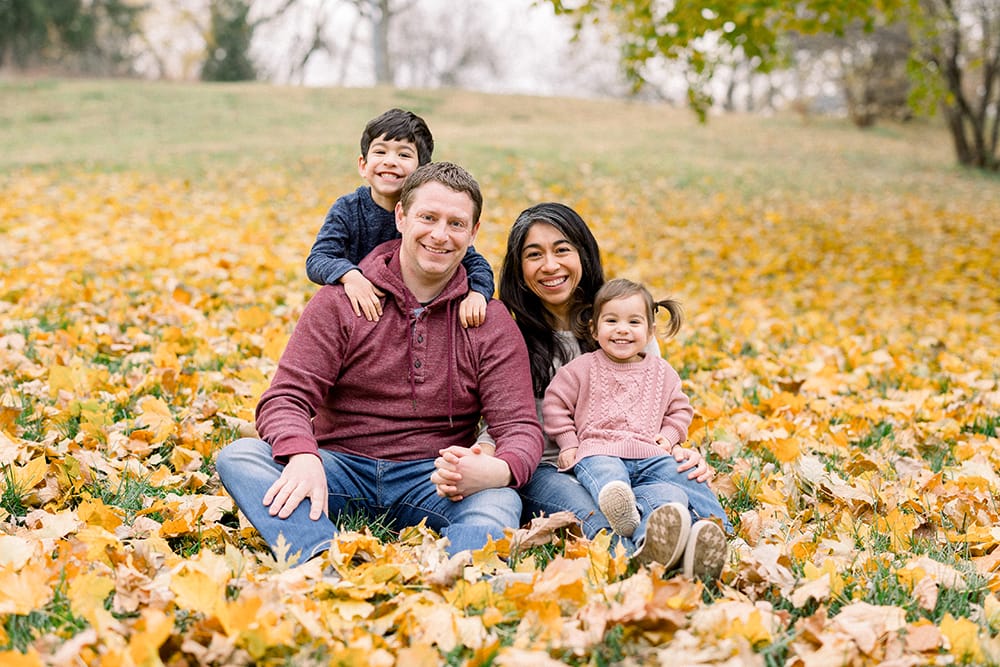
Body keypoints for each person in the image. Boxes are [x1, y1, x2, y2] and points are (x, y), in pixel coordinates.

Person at [216, 162, 543, 563]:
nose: (440, 235)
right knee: (241, 457)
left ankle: (457, 577)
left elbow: (520, 427)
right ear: (401, 217)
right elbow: (285, 399)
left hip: (435, 477)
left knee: (498, 502)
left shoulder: (488, 320)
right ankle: (322, 558)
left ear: (473, 233)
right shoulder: (340, 302)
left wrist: (499, 471)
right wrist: (302, 455)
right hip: (337, 468)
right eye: (428, 217)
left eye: (456, 224)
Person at [432, 203, 731, 579]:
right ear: (521, 272)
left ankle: (690, 544)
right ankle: (639, 559)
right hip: (546, 465)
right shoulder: (509, 334)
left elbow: (655, 397)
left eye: (562, 250)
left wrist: (676, 447)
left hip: (623, 454)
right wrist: (487, 455)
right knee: (593, 509)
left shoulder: (620, 321)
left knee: (667, 494)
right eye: (534, 255)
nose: (550, 265)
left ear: (583, 255)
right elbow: (502, 416)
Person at [543, 278, 727, 579]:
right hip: (598, 449)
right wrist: (569, 443)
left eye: (634, 322)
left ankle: (714, 530)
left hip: (649, 451)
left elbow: (680, 409)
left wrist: (669, 439)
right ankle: (622, 509)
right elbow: (555, 404)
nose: (622, 329)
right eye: (611, 321)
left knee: (685, 478)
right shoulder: (582, 368)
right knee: (608, 476)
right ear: (594, 329)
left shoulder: (661, 372)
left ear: (650, 331)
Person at [305, 107, 494, 328]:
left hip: (413, 312)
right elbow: (318, 259)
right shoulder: (347, 209)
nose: (390, 161)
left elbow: (475, 262)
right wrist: (350, 276)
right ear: (363, 165)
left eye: (403, 154)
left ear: (422, 171)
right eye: (380, 152)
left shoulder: (428, 217)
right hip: (362, 311)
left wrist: (478, 293)